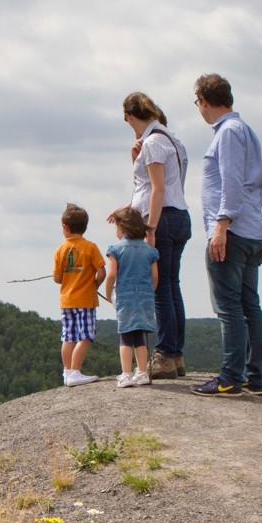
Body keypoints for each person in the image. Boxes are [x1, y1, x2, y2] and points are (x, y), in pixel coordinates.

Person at [189, 74, 262, 398]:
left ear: (204, 101)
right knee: (250, 306)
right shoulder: (244, 130)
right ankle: (254, 377)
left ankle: (230, 378)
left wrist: (221, 225)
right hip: (251, 230)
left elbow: (232, 180)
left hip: (232, 232)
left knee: (230, 308)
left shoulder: (228, 133)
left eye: (197, 103)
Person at [111, 92, 192, 379]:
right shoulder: (173, 141)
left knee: (160, 289)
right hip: (179, 215)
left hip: (163, 218)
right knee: (172, 286)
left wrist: (151, 228)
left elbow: (158, 190)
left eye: (128, 121)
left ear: (131, 117)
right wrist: (136, 159)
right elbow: (167, 185)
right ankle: (176, 355)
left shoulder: (154, 142)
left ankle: (166, 353)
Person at [105, 206, 160, 388]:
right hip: (145, 297)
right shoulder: (150, 251)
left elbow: (112, 274)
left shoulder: (116, 249)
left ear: (122, 227)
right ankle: (142, 373)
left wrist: (107, 293)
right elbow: (155, 277)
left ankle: (126, 375)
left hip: (125, 297)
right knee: (139, 335)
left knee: (126, 336)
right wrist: (149, 292)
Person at [52, 203, 106, 387]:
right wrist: (94, 284)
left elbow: (57, 278)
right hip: (85, 300)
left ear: (66, 228)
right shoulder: (91, 247)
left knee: (68, 337)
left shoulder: (60, 250)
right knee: (85, 336)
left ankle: (67, 372)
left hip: (66, 300)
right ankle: (75, 371)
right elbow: (102, 272)